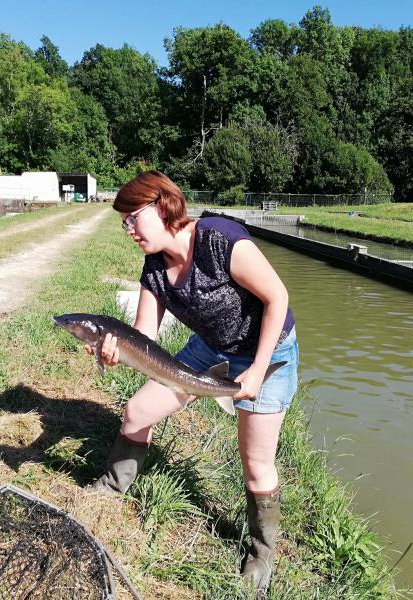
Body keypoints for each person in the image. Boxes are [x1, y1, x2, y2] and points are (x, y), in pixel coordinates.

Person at [86, 170, 298, 593]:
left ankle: (261, 555)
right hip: (210, 348)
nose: (128, 229)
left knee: (256, 465)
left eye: (133, 217)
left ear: (163, 205)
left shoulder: (220, 239)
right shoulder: (154, 270)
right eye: (122, 222)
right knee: (136, 412)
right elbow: (143, 338)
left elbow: (278, 297)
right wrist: (115, 352)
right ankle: (111, 486)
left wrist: (256, 370)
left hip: (268, 350)